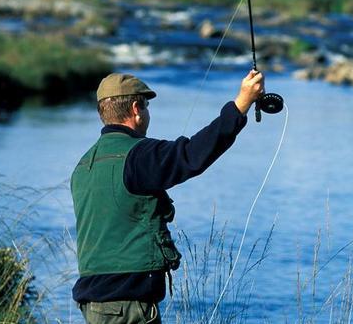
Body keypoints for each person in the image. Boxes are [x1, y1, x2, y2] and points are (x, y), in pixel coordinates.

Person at [71, 69, 264, 324]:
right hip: (126, 305)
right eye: (147, 105)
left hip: (94, 304)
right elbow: (192, 155)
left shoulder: (83, 165)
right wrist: (241, 104)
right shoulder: (138, 156)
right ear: (137, 109)